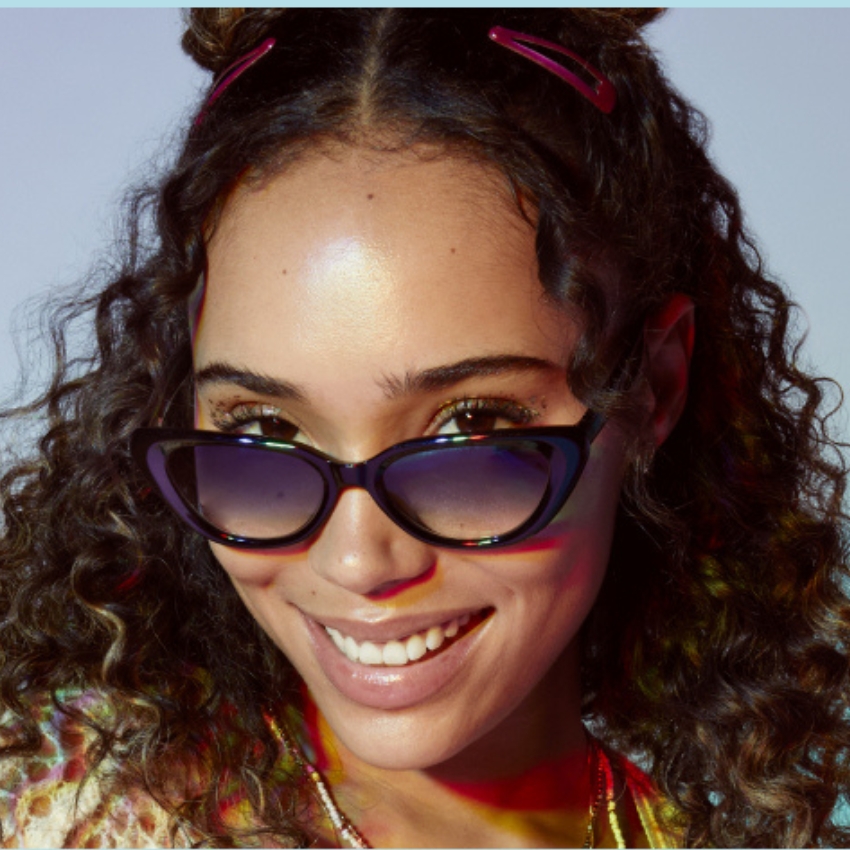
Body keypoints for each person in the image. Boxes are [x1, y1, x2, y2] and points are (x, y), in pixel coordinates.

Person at [1, 8, 848, 847]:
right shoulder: (65, 811)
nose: (358, 560)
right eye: (263, 429)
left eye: (469, 427)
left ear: (654, 389)